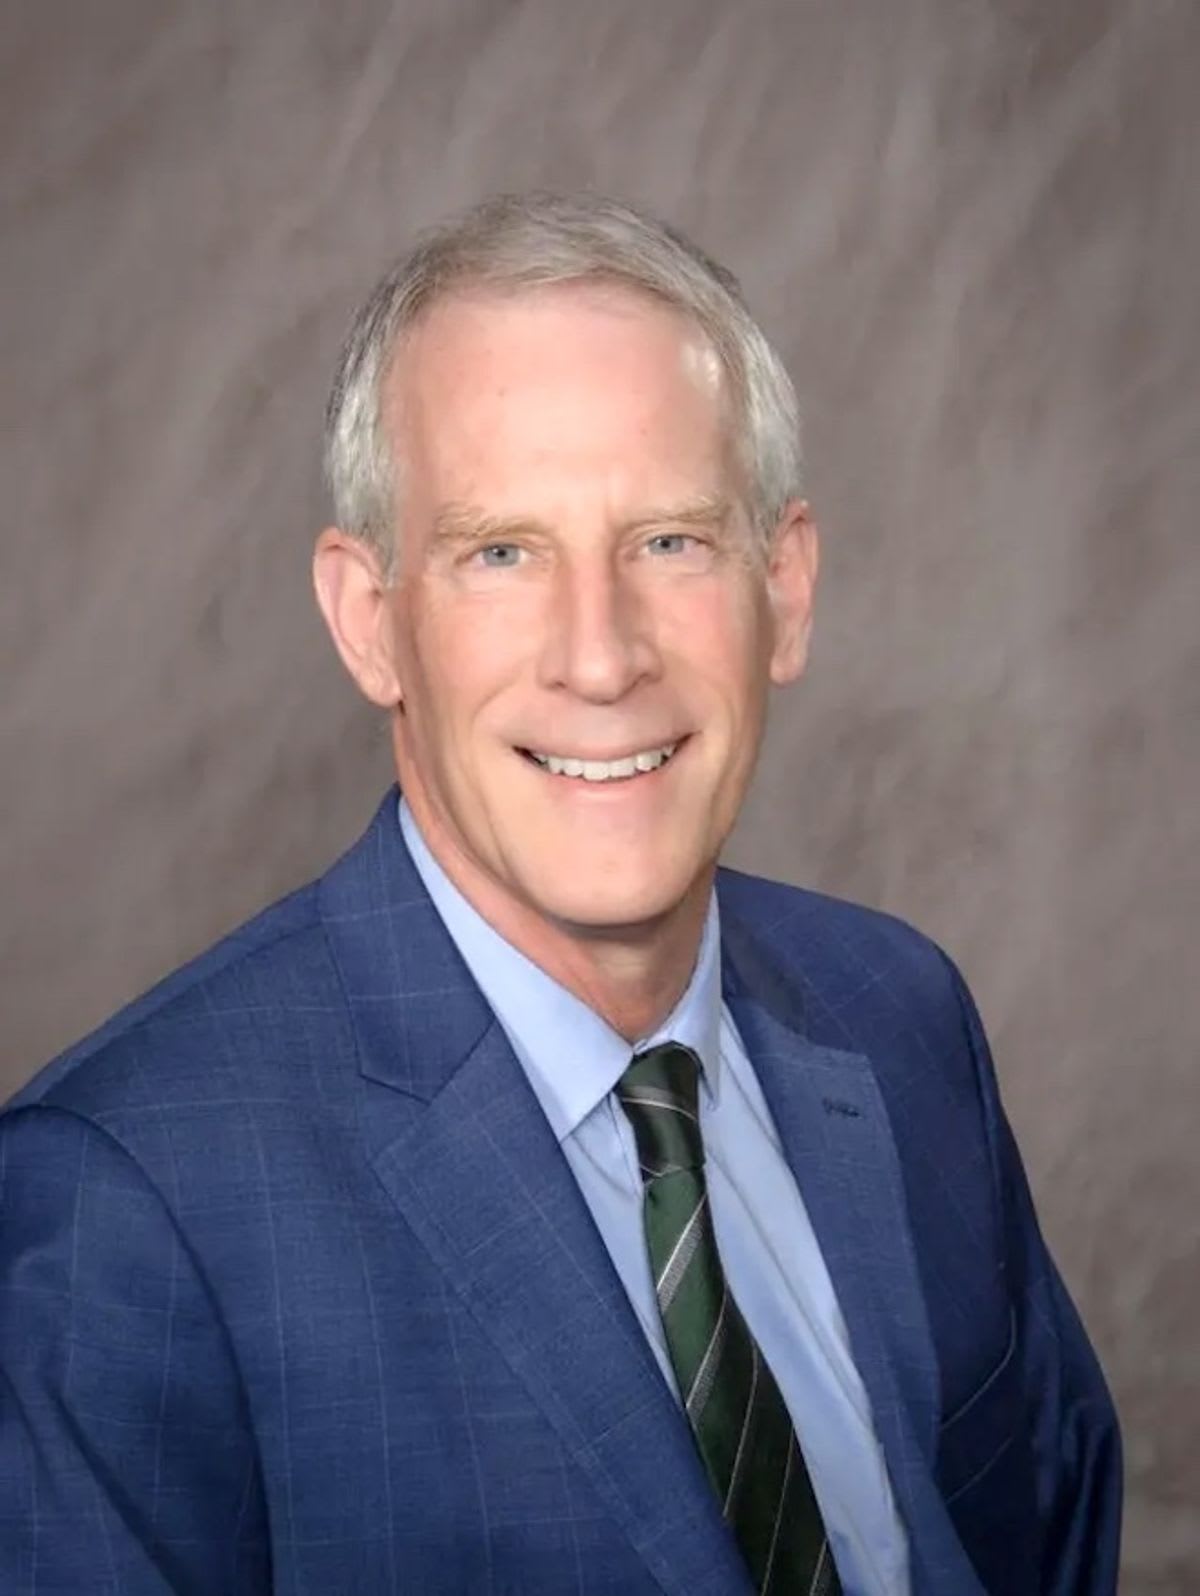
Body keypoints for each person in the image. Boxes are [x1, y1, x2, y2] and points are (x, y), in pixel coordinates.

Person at [0, 192, 1120, 1596]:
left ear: (788, 588)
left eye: (669, 541)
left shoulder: (902, 1023)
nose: (601, 658)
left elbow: (1053, 1529)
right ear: (370, 621)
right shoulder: (127, 1210)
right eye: (503, 553)